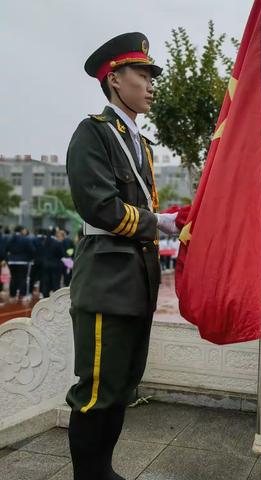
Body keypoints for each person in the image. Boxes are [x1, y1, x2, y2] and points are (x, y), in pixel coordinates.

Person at [65, 32, 178, 480]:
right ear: (114, 79)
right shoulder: (92, 133)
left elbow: (139, 207)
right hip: (106, 281)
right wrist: (157, 222)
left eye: (153, 76)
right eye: (143, 74)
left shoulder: (140, 144)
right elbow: (101, 207)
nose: (151, 84)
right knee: (96, 391)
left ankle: (103, 469)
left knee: (122, 387)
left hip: (137, 282)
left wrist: (162, 218)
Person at [5, 225, 35, 302]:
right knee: (23, 278)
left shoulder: (9, 239)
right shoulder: (26, 239)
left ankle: (12, 295)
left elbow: (6, 249)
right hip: (23, 262)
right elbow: (32, 250)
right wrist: (30, 258)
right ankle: (23, 294)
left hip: (12, 262)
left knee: (13, 278)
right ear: (22, 230)